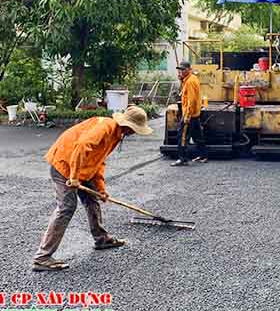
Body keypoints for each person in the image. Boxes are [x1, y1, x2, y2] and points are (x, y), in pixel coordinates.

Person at [33, 105, 153, 271]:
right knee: (67, 207)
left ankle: (101, 238)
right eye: (135, 129)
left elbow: (98, 162)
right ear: (128, 125)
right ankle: (42, 258)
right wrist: (74, 177)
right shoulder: (105, 127)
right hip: (64, 165)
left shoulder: (116, 135)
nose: (135, 133)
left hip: (82, 168)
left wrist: (101, 189)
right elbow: (82, 146)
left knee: (92, 199)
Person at [171, 61, 209, 166]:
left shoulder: (190, 82)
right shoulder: (191, 79)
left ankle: (182, 159)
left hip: (190, 115)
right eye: (180, 70)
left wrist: (187, 116)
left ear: (189, 69)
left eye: (183, 69)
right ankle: (203, 155)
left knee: (182, 137)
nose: (181, 72)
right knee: (197, 136)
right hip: (195, 114)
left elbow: (191, 101)